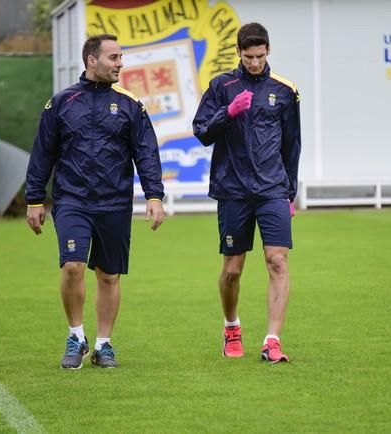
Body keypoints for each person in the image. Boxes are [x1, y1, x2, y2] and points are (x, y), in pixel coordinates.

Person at [25, 34, 165, 369]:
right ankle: (76, 336)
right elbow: (43, 152)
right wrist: (34, 199)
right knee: (72, 266)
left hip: (115, 202)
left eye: (121, 57)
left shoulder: (131, 105)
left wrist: (154, 195)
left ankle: (104, 345)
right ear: (92, 60)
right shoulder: (61, 103)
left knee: (108, 275)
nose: (120, 64)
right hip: (72, 199)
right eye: (114, 57)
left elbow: (146, 152)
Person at [192, 23, 301, 363]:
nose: (255, 62)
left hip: (272, 189)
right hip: (233, 189)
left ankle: (272, 340)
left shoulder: (285, 90)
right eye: (249, 56)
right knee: (233, 269)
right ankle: (231, 326)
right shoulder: (221, 86)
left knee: (277, 261)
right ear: (238, 52)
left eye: (261, 56)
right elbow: (201, 132)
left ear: (268, 51)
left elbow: (292, 144)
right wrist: (228, 112)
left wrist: (290, 192)